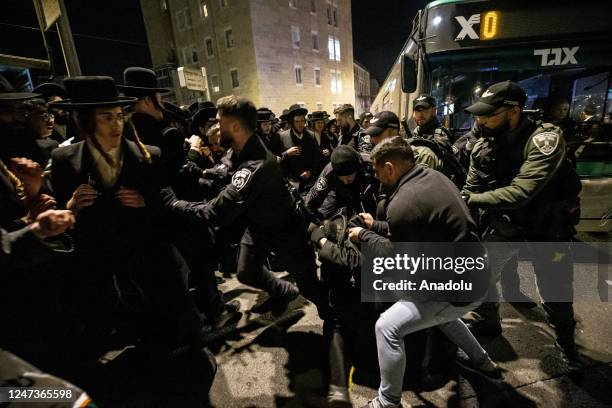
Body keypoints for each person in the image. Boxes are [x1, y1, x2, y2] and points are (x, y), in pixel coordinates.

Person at [49, 77, 210, 365]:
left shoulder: (149, 156)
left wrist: (146, 204)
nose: (116, 125)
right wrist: (71, 207)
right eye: (106, 117)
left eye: (120, 116)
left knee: (174, 316)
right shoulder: (64, 159)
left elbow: (166, 204)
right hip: (103, 258)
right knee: (129, 320)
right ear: (86, 121)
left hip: (147, 252)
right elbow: (62, 219)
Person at [348, 136, 497, 408]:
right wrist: (377, 225)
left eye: (378, 171)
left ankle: (387, 401)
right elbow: (416, 228)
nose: (378, 179)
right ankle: (484, 362)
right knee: (443, 317)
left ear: (390, 167)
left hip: (457, 286)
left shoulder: (403, 201)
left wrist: (364, 235)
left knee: (387, 327)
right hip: (476, 271)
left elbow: (398, 255)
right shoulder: (432, 177)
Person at [163, 95, 326, 316]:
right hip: (259, 225)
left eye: (219, 123)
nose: (215, 129)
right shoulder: (241, 147)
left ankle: (338, 320)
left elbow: (213, 212)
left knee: (311, 288)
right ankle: (283, 291)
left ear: (235, 126)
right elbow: (223, 171)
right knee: (246, 271)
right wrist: (196, 169)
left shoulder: (255, 166)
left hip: (286, 230)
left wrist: (173, 203)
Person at [461, 81, 582, 366]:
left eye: (488, 115)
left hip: (546, 225)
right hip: (505, 223)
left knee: (556, 292)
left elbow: (521, 192)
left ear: (513, 111)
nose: (480, 121)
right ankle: (487, 323)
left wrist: (473, 199)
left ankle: (568, 348)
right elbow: (470, 186)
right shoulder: (484, 143)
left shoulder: (545, 140)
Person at [118, 67, 185, 178]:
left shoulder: (123, 132)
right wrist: (194, 151)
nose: (162, 106)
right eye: (159, 100)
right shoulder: (160, 133)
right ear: (147, 100)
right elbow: (179, 176)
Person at [305, 145, 376, 224]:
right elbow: (312, 200)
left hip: (365, 194)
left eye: (348, 178)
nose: (345, 182)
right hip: (338, 195)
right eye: (342, 178)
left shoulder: (370, 164)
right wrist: (321, 223)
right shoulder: (329, 171)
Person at [278, 104, 320, 193]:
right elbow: (277, 159)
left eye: (302, 121)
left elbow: (316, 157)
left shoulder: (311, 136)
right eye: (297, 121)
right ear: (292, 122)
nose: (300, 124)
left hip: (309, 183)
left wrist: (310, 171)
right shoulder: (282, 137)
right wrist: (286, 153)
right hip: (291, 183)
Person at [308, 110, 334, 176]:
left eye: (322, 122)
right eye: (318, 123)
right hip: (311, 171)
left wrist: (329, 152)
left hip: (323, 170)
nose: (320, 125)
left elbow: (330, 150)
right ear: (313, 124)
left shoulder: (325, 137)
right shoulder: (308, 136)